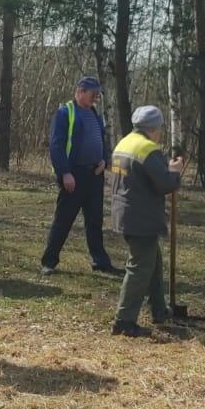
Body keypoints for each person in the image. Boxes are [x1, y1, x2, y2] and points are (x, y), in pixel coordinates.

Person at [109, 105, 186, 338]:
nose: (160, 132)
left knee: (153, 261)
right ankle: (124, 320)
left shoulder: (124, 143)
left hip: (124, 213)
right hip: (140, 216)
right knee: (139, 268)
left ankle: (159, 309)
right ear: (154, 128)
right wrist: (175, 172)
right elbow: (165, 183)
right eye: (160, 128)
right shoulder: (148, 149)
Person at [40, 75, 119, 276]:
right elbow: (56, 146)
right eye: (92, 94)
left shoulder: (94, 113)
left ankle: (100, 261)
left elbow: (100, 139)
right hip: (74, 174)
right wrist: (65, 173)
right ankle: (49, 262)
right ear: (81, 91)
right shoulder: (65, 113)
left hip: (95, 174)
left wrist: (103, 160)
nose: (95, 98)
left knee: (95, 220)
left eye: (97, 95)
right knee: (64, 220)